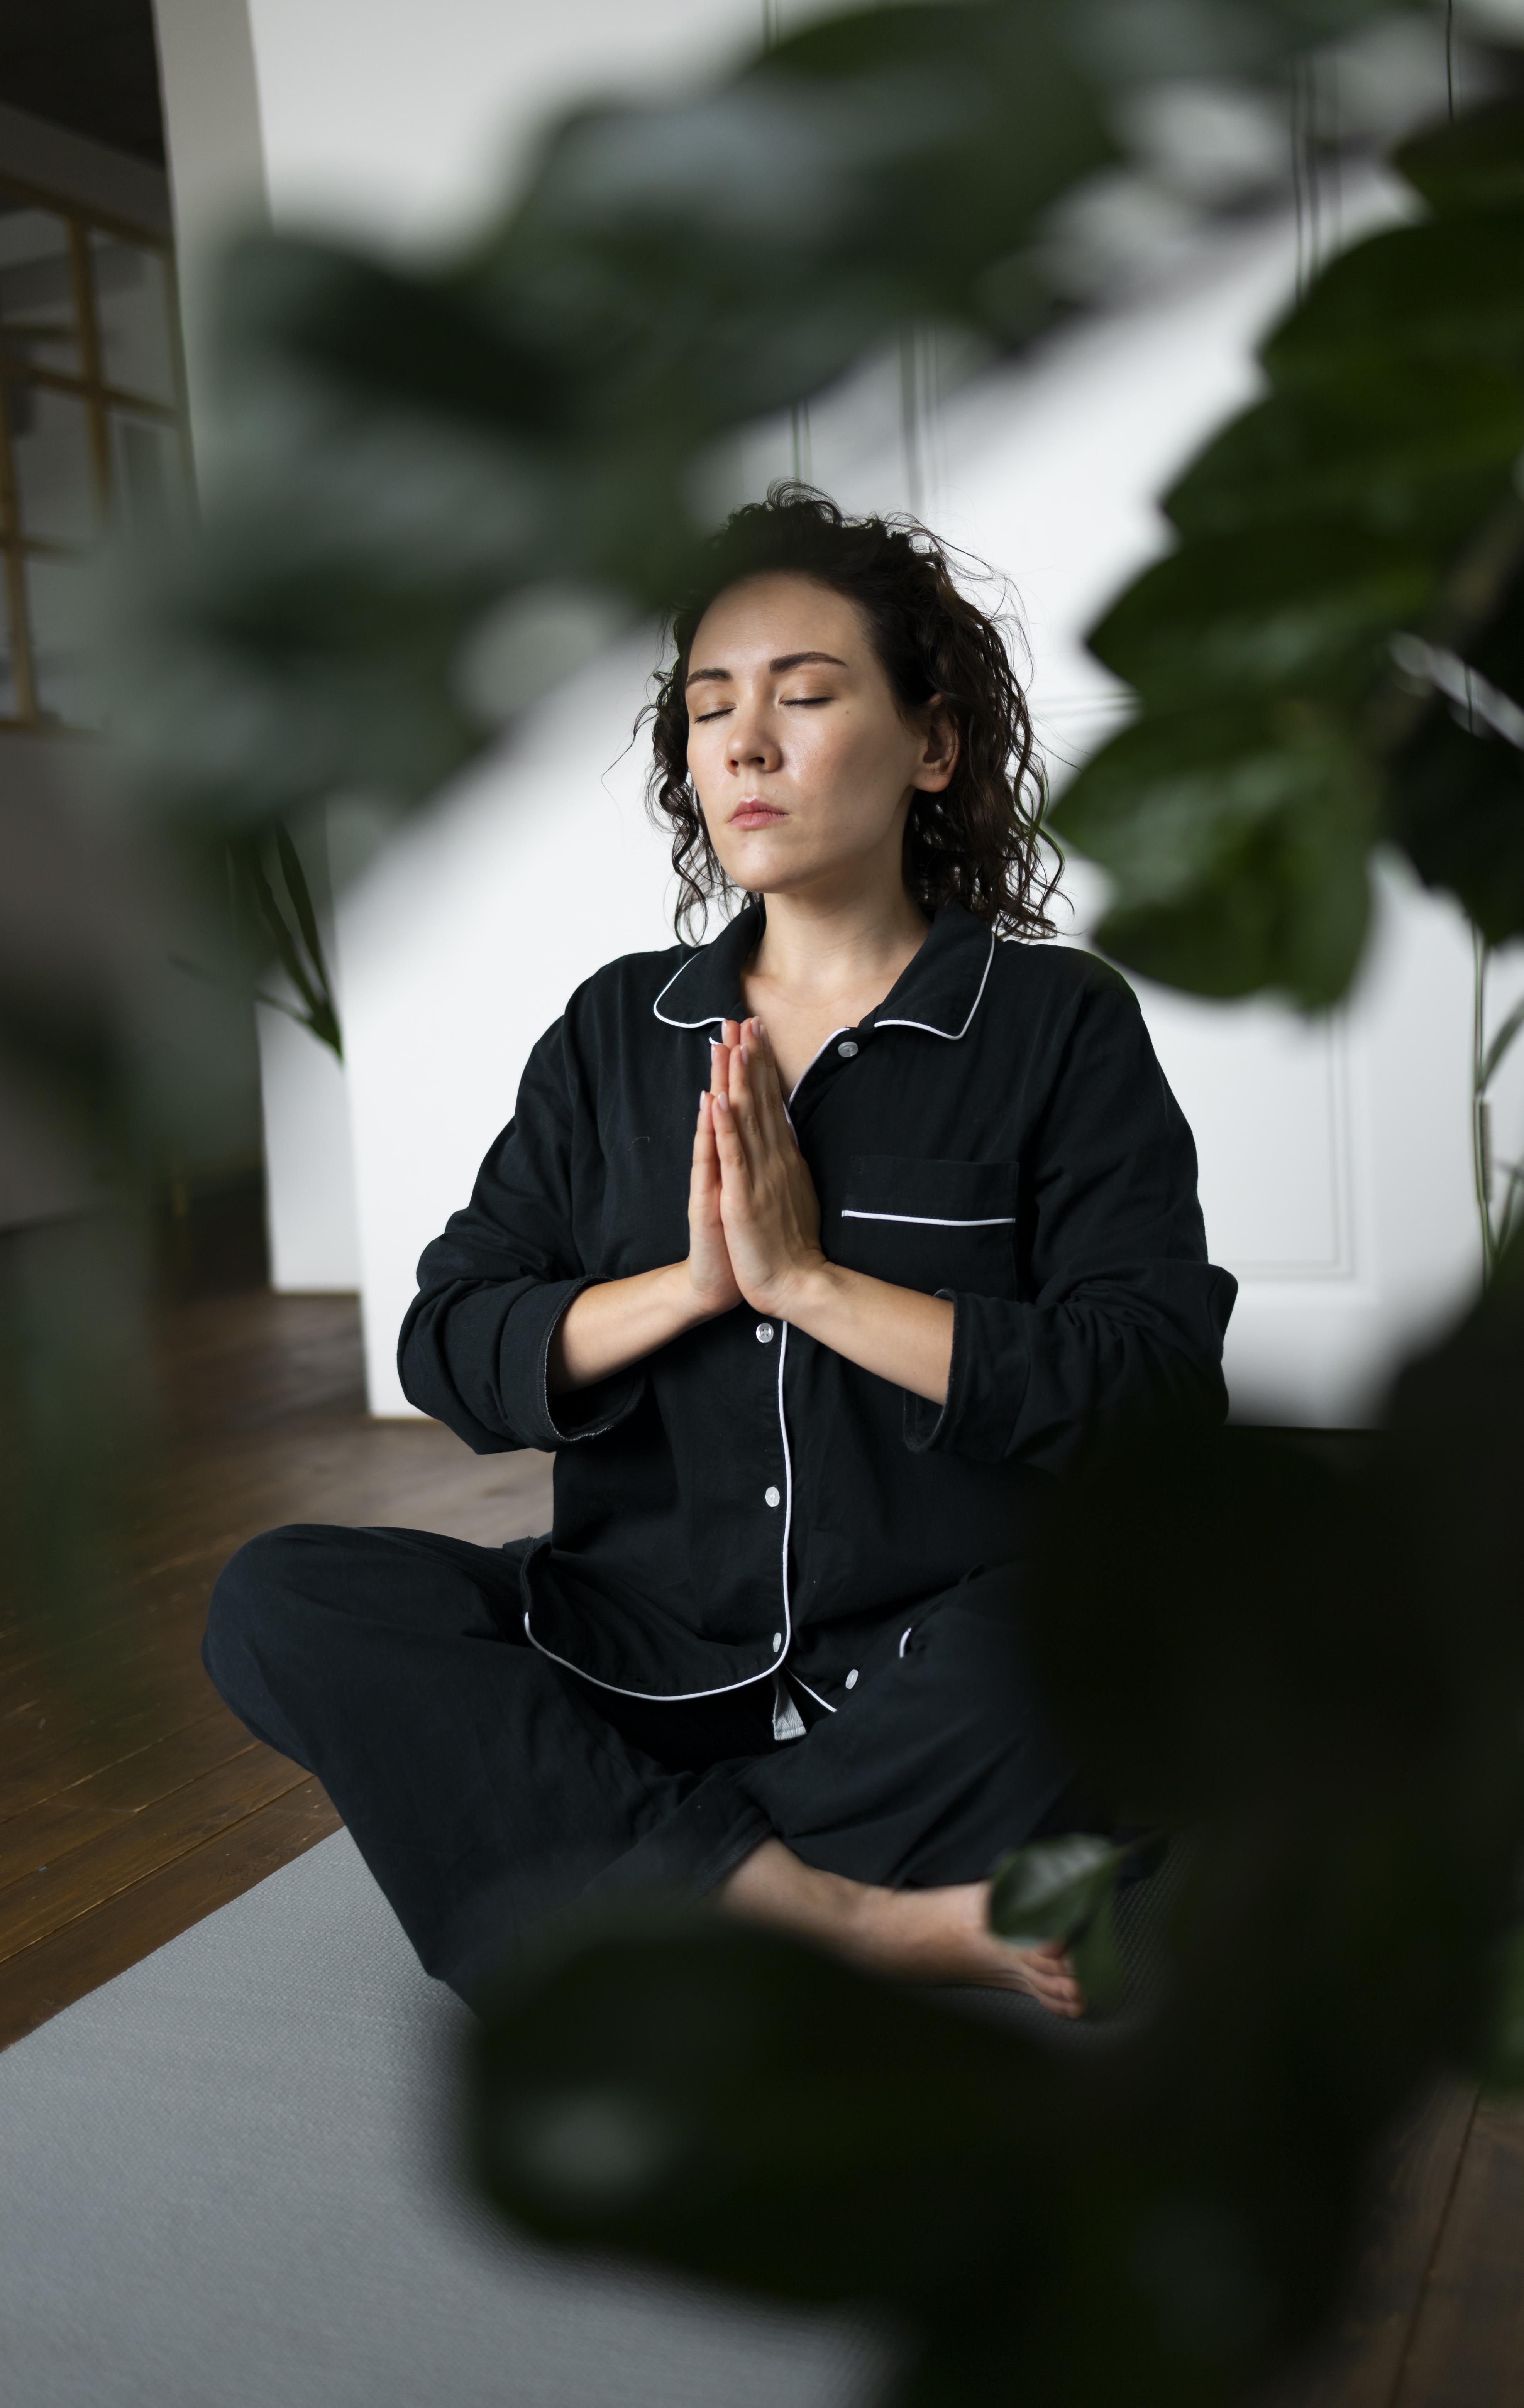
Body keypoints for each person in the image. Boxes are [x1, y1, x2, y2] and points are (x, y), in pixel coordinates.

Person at [204, 487, 1235, 2019]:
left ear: (931, 747)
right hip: (635, 1654)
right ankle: (856, 1921)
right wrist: (690, 1289)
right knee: (280, 1600)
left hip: (937, 1667)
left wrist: (812, 1285)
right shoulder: (619, 1029)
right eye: (708, 709)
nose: (743, 744)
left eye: (805, 698)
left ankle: (619, 1889)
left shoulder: (1054, 1025)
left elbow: (1147, 1382)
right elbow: (453, 1341)